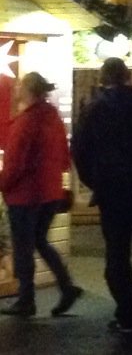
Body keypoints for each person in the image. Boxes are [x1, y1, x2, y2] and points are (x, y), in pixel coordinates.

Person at [72, 57, 132, 333]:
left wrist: (96, 181)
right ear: (128, 77)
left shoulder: (94, 110)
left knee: (117, 254)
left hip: (113, 192)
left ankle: (128, 315)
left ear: (103, 79)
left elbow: (80, 151)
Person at [0, 72, 82, 318]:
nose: (15, 90)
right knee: (40, 241)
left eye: (19, 86)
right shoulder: (52, 117)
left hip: (25, 195)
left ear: (27, 90)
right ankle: (66, 286)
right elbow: (64, 158)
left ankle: (26, 299)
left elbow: (16, 164)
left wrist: (2, 184)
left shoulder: (26, 122)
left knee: (24, 248)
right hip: (49, 193)